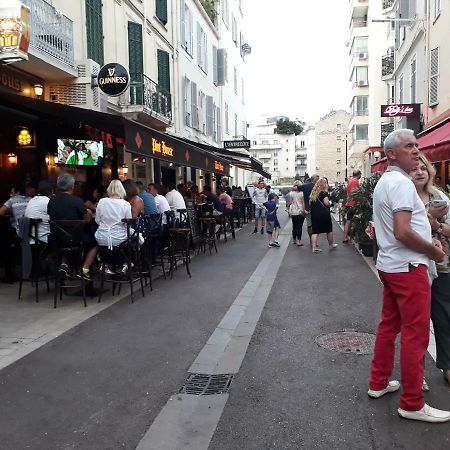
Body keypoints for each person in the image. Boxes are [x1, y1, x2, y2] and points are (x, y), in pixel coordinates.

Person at [368, 129, 450, 423]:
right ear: (391, 153)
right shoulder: (402, 185)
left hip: (391, 266)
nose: (416, 150)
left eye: (416, 145)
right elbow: (403, 232)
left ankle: (378, 382)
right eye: (408, 146)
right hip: (408, 268)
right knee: (415, 336)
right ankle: (412, 403)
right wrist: (434, 251)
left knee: (389, 326)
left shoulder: (385, 182)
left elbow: (397, 229)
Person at [410, 154, 450, 389]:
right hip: (414, 266)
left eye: (423, 168)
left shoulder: (440, 198)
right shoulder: (404, 198)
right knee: (416, 323)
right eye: (414, 168)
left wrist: (436, 225)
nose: (419, 172)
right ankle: (417, 372)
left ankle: (447, 365)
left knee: (444, 318)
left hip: (443, 266)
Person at [47, 173, 98, 280]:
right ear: (72, 186)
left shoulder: (51, 201)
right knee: (95, 242)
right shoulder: (77, 201)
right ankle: (84, 269)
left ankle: (64, 265)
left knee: (66, 238)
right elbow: (87, 220)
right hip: (75, 240)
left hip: (56, 240)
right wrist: (88, 212)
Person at [95, 180, 132, 274]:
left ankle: (106, 264)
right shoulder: (126, 204)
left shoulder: (102, 201)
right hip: (119, 238)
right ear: (122, 190)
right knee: (131, 239)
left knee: (109, 243)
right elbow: (128, 222)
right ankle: (125, 264)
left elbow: (97, 220)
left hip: (102, 237)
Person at [309, 178, 337, 253]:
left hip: (314, 215)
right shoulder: (324, 193)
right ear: (324, 184)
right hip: (324, 214)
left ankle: (314, 247)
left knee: (315, 231)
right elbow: (326, 203)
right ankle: (331, 245)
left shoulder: (313, 194)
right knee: (329, 230)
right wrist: (330, 202)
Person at [343, 169, 362, 243]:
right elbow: (355, 193)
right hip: (353, 204)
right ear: (358, 174)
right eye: (360, 174)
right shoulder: (355, 181)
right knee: (354, 221)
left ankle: (346, 237)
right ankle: (352, 237)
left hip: (349, 204)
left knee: (348, 221)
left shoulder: (351, 181)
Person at [299, 174, 320, 244]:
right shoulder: (318, 187)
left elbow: (296, 188)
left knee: (309, 225)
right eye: (318, 179)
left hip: (308, 208)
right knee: (316, 225)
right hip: (316, 208)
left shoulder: (305, 186)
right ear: (315, 179)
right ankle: (315, 241)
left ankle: (311, 240)